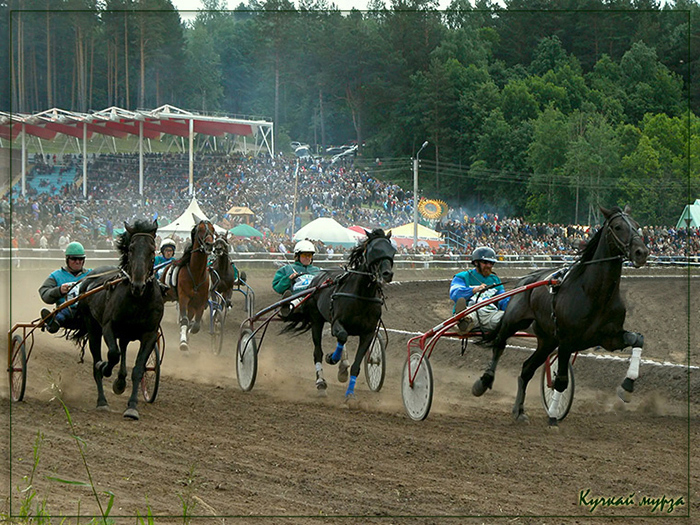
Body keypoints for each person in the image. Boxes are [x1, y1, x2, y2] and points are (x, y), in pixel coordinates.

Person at [449, 246, 510, 335]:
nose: (489, 266)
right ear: (476, 263)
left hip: (491, 314)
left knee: (509, 318)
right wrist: (474, 290)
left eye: (491, 263)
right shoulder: (462, 276)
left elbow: (503, 299)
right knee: (469, 317)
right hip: (472, 310)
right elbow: (455, 293)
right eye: (485, 263)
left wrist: (513, 305)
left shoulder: (495, 279)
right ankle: (463, 320)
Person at [39, 241, 93, 334]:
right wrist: (59, 290)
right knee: (65, 312)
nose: (78, 262)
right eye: (74, 259)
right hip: (67, 311)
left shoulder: (92, 274)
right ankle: (53, 323)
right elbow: (44, 293)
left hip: (88, 311)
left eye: (80, 259)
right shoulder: (56, 275)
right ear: (67, 259)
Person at [272, 239, 321, 318]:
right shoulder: (287, 269)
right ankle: (288, 307)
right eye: (304, 255)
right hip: (297, 296)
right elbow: (278, 288)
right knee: (298, 300)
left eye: (310, 255)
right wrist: (288, 279)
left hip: (315, 297)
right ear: (297, 256)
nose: (307, 258)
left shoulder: (318, 271)